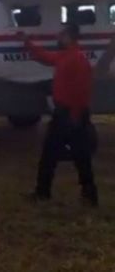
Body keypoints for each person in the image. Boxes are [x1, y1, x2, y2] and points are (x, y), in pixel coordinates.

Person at [19, 24, 98, 206]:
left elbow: (82, 90)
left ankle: (83, 193)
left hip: (70, 114)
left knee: (76, 156)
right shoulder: (67, 56)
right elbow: (45, 57)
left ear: (69, 36)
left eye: (61, 35)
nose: (58, 37)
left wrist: (75, 116)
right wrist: (27, 43)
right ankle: (48, 192)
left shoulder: (76, 59)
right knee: (60, 155)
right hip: (65, 113)